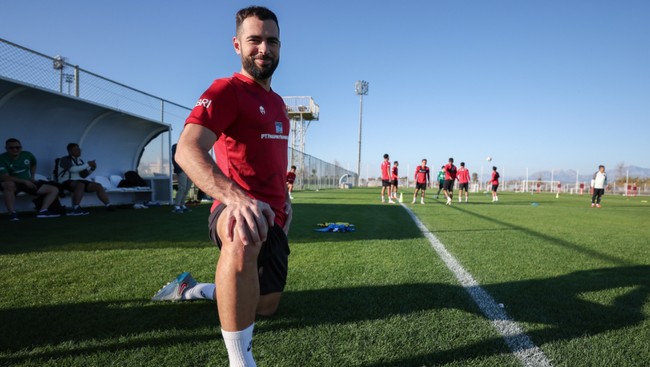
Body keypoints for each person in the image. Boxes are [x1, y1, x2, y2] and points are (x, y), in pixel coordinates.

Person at [151, 7, 291, 367]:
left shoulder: (278, 104)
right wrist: (235, 198)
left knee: (265, 306)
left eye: (271, 41)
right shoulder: (226, 90)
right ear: (237, 45)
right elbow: (187, 149)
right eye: (254, 40)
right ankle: (239, 362)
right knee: (242, 228)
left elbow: (270, 162)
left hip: (273, 216)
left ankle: (192, 289)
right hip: (233, 209)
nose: (264, 48)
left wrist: (285, 202)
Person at [0, 138, 60, 220]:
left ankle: (43, 211)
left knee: (54, 189)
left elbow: (33, 164)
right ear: (6, 148)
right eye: (11, 148)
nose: (15, 149)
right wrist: (24, 181)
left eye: (17, 147)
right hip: (13, 184)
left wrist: (32, 177)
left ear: (21, 147)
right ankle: (11, 213)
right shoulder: (2, 158)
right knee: (8, 184)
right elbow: (5, 177)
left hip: (27, 183)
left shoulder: (27, 155)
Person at [58, 143, 114, 215]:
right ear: (69, 151)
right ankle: (76, 208)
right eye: (76, 149)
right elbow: (73, 169)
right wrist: (88, 164)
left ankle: (108, 205)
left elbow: (83, 175)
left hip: (79, 181)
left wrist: (92, 168)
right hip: (66, 181)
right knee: (80, 184)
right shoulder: (64, 159)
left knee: (98, 186)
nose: (78, 151)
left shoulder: (80, 161)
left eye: (79, 149)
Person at [171, 143, 193, 213]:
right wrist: (179, 169)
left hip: (189, 170)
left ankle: (182, 204)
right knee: (182, 188)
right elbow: (175, 159)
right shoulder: (176, 147)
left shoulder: (188, 147)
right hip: (181, 170)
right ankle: (177, 206)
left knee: (187, 188)